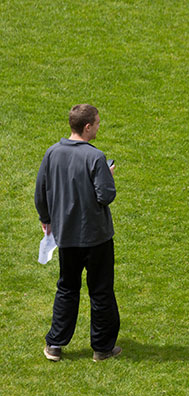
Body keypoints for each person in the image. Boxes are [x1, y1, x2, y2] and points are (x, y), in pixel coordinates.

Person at [34, 104, 121, 362]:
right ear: (87, 127)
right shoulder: (95, 157)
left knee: (67, 288)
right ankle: (102, 349)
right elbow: (105, 195)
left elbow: (41, 192)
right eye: (96, 123)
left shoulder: (52, 153)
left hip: (66, 237)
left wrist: (46, 219)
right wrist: (109, 175)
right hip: (96, 238)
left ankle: (55, 346)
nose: (98, 126)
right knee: (101, 291)